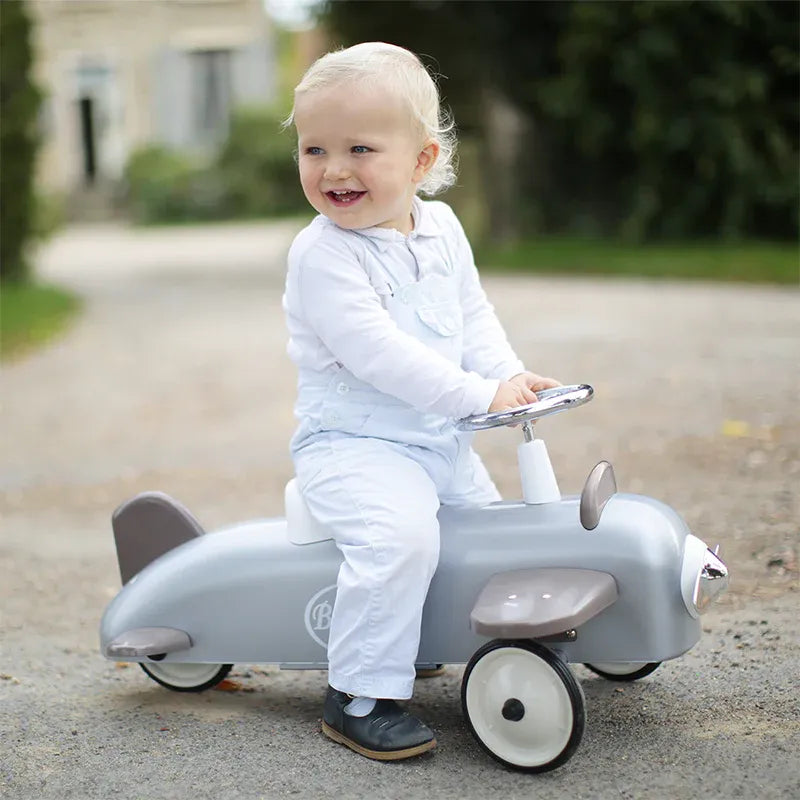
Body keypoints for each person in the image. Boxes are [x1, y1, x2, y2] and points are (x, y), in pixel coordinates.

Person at [282, 41, 560, 761]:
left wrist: (509, 378)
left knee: (489, 537)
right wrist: (477, 395)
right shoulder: (324, 255)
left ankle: (451, 641)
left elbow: (472, 318)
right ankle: (360, 695)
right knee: (398, 540)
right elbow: (380, 354)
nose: (334, 169)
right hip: (354, 447)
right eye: (314, 149)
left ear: (421, 161)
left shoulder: (442, 230)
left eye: (360, 149)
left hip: (438, 439)